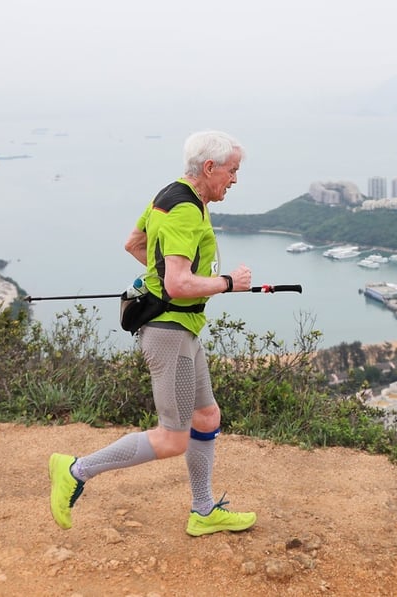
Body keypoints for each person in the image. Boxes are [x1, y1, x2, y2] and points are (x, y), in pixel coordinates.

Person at [48, 130, 256, 537]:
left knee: (207, 415)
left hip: (181, 328)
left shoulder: (170, 196)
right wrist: (229, 282)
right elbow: (178, 285)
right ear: (210, 168)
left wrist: (163, 276)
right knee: (172, 438)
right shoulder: (184, 211)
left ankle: (203, 510)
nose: (234, 180)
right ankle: (75, 470)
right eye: (232, 171)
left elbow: (134, 243)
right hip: (169, 332)